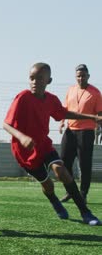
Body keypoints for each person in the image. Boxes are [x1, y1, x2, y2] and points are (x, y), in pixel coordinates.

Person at [3, 62, 101, 226]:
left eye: (39, 78)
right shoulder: (22, 98)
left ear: (49, 81)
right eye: (32, 78)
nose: (34, 82)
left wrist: (91, 118)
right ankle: (55, 202)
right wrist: (21, 137)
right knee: (47, 184)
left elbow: (65, 113)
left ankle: (86, 212)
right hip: (24, 152)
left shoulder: (51, 100)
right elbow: (6, 125)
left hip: (44, 146)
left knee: (61, 170)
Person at [59, 64, 102, 203]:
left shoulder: (95, 93)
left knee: (84, 164)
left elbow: (100, 113)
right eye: (78, 76)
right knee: (64, 162)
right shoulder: (70, 90)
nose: (81, 78)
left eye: (83, 75)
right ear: (75, 77)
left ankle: (83, 193)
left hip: (86, 132)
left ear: (88, 76)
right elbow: (65, 108)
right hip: (70, 130)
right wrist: (61, 122)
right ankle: (70, 191)